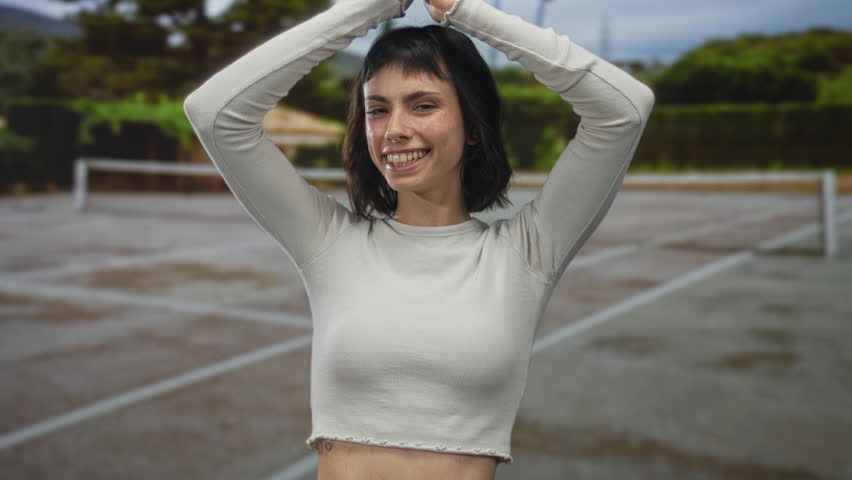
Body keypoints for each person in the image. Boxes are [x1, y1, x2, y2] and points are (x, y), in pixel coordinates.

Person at [184, 0, 654, 478]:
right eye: (377, 110)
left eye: (423, 105)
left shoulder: (525, 253)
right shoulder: (329, 243)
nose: (395, 131)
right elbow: (215, 113)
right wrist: (369, 9)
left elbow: (624, 110)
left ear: (472, 125)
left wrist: (463, 11)